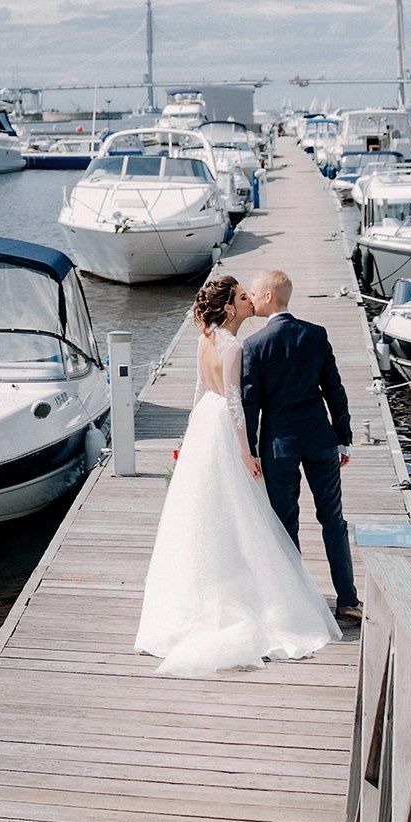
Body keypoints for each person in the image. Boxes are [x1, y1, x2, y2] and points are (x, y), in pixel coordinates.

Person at [134, 277, 338, 676]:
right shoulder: (233, 346)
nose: (249, 300)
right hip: (224, 431)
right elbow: (235, 404)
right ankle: (247, 596)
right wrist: (247, 452)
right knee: (239, 512)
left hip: (201, 428)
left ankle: (214, 588)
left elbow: (198, 391)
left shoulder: (203, 340)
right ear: (229, 307)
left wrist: (187, 442)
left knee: (207, 514)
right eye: (243, 297)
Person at [239, 270, 362, 623]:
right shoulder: (316, 334)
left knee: (285, 522)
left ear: (267, 297)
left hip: (279, 446)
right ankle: (348, 600)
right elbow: (334, 390)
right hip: (320, 440)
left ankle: (294, 599)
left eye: (254, 294)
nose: (251, 299)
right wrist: (343, 437)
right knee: (333, 520)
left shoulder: (255, 345)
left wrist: (249, 450)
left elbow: (251, 404)